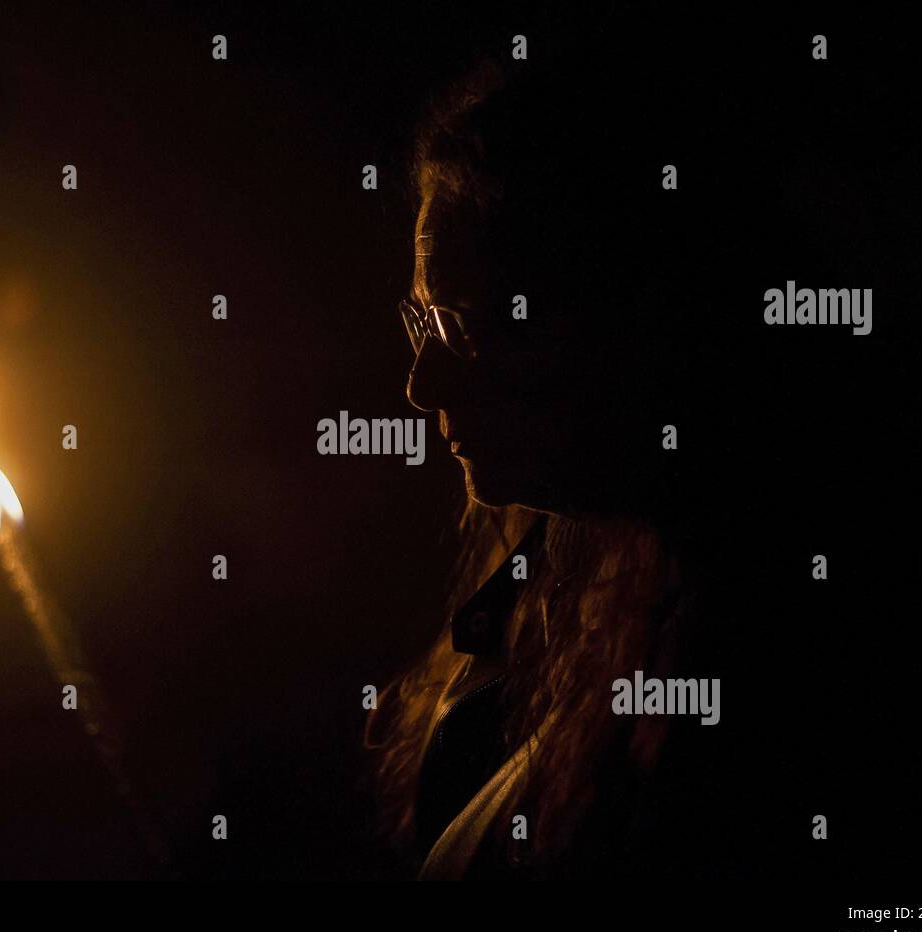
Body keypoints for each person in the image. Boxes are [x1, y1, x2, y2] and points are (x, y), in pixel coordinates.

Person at [363, 34, 887, 881]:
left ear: (628, 316)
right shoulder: (555, 587)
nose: (421, 387)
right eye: (426, 320)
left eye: (468, 323)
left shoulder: (791, 675)